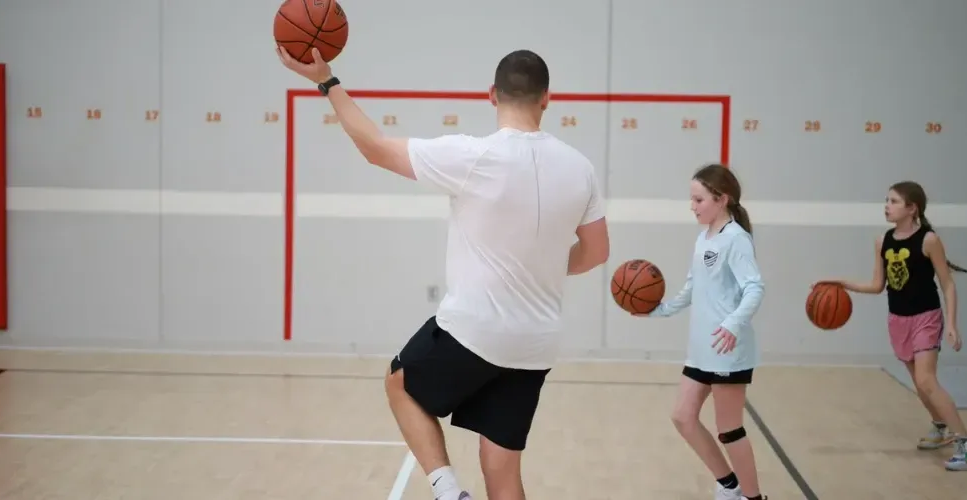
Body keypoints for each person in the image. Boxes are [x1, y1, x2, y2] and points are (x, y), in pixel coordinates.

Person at [276, 47, 610, 500]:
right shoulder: (580, 168)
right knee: (501, 466)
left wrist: (328, 81)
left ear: (492, 94)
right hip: (536, 343)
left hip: (476, 330)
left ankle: (448, 492)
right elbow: (595, 252)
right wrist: (545, 265)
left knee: (400, 383)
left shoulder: (472, 155)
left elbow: (375, 148)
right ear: (547, 99)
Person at [815, 180, 967, 472]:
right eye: (887, 200)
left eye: (893, 201)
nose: (887, 206)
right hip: (898, 319)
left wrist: (952, 323)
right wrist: (841, 283)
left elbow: (947, 284)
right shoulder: (883, 241)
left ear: (912, 208)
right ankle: (940, 427)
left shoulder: (928, 240)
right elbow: (877, 285)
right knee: (919, 384)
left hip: (926, 318)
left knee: (927, 381)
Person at [635, 164, 767, 500]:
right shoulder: (703, 238)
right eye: (691, 199)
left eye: (699, 199)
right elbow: (693, 288)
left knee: (730, 429)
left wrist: (732, 323)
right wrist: (661, 309)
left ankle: (753, 498)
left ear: (722, 199)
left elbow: (754, 287)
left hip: (728, 349)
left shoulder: (736, 239)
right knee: (682, 417)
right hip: (702, 349)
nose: (692, 206)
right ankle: (729, 484)